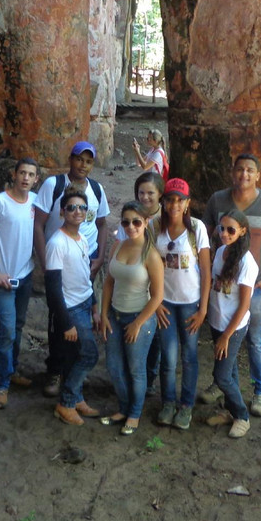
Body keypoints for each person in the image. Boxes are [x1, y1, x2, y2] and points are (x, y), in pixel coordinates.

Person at [201, 153, 261, 417]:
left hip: (256, 286)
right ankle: (223, 383)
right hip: (223, 287)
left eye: (250, 170)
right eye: (240, 169)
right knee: (223, 336)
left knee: (254, 340)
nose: (245, 175)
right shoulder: (218, 200)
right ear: (233, 172)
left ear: (258, 175)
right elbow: (204, 236)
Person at [34, 141, 110, 397]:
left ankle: (74, 371)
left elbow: (102, 224)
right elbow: (39, 224)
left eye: (88, 161)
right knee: (60, 317)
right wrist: (44, 261)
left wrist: (99, 257)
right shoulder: (53, 185)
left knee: (82, 317)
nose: (83, 165)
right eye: (79, 159)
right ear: (71, 159)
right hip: (59, 258)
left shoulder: (97, 190)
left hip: (85, 257)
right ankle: (55, 369)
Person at [0, 158, 38, 410]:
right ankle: (0, 383)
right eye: (22, 172)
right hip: (4, 280)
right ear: (14, 174)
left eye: (31, 174)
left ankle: (11, 370)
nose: (25, 178)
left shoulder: (35, 203)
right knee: (7, 330)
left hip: (26, 275)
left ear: (36, 180)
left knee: (19, 326)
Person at [99, 201, 165, 435]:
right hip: (115, 315)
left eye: (136, 222)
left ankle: (134, 414)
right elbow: (109, 282)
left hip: (140, 317)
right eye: (126, 222)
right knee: (115, 366)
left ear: (146, 222)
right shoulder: (118, 245)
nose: (131, 226)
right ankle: (124, 408)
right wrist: (104, 314)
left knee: (136, 369)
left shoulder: (151, 255)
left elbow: (157, 296)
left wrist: (138, 323)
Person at [153, 177, 211, 431]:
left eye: (180, 200)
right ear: (163, 202)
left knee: (188, 356)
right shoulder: (156, 227)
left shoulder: (196, 229)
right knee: (168, 356)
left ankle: (185, 405)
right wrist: (154, 303)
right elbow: (148, 266)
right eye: (170, 199)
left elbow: (207, 272)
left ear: (187, 204)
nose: (174, 204)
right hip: (164, 301)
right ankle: (167, 402)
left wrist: (203, 309)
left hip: (190, 303)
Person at [44, 188, 103, 425]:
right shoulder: (57, 243)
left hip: (85, 302)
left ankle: (76, 397)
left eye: (82, 208)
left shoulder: (82, 238)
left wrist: (95, 306)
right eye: (71, 207)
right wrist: (66, 322)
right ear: (62, 212)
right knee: (89, 354)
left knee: (74, 357)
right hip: (70, 309)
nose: (77, 212)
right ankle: (66, 402)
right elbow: (53, 287)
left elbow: (85, 277)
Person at [208, 210, 258, 439]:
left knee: (221, 376)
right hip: (217, 321)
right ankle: (230, 411)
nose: (225, 234)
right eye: (222, 228)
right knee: (231, 371)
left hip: (233, 327)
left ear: (242, 231)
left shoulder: (247, 262)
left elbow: (244, 304)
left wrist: (227, 335)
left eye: (231, 230)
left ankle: (242, 416)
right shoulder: (220, 252)